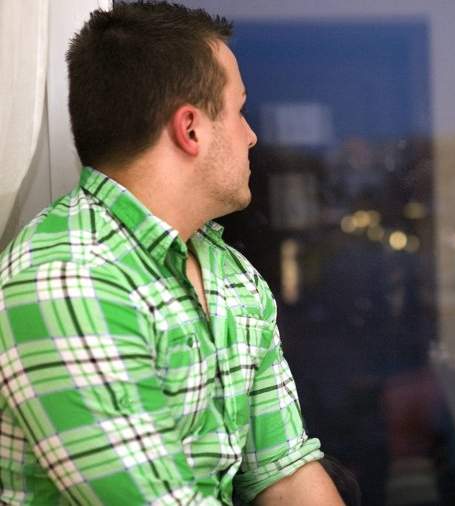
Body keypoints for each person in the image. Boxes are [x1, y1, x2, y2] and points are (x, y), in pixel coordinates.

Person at [0, 2, 346, 504]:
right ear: (190, 129)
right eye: (239, 111)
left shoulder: (230, 275)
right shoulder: (66, 278)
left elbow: (285, 475)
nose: (252, 136)